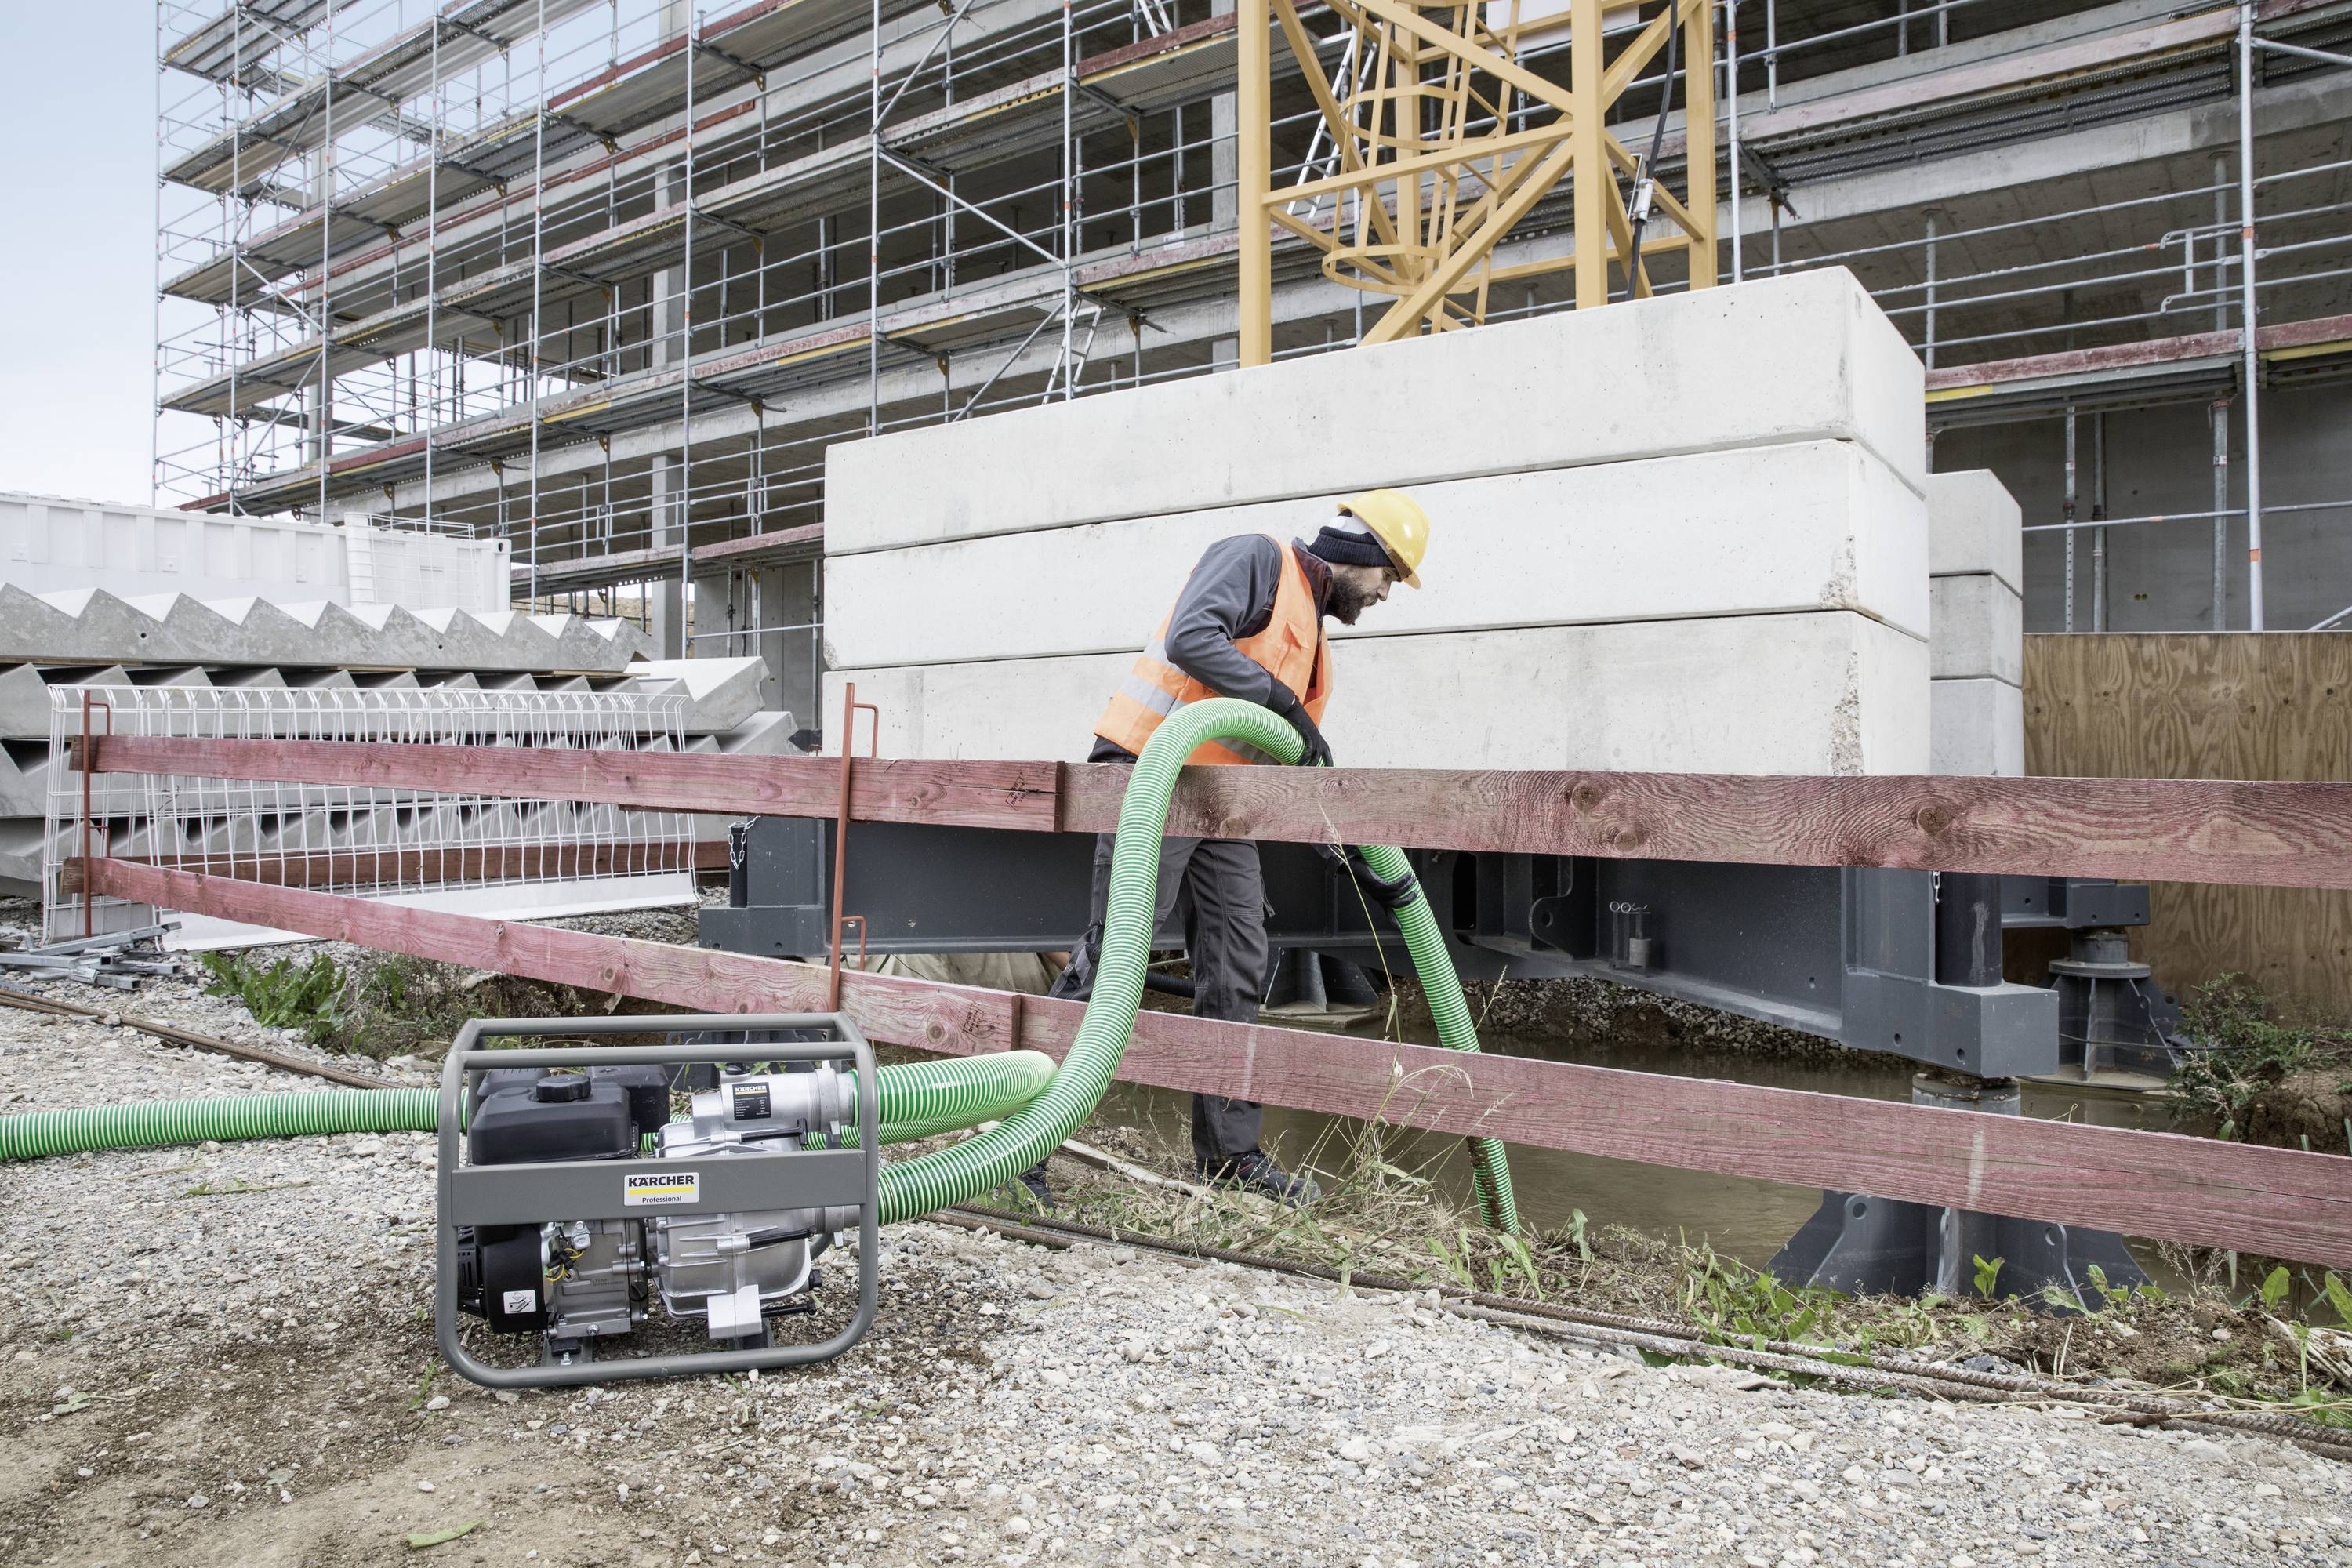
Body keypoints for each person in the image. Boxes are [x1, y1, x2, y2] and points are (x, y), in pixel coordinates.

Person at [1033, 489, 1433, 1207]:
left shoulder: (1314, 643)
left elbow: (1285, 758)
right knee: (1116, 954)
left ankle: (1228, 1155)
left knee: (1238, 964)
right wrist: (1279, 704)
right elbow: (1192, 638)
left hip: (1220, 803)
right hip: (1153, 775)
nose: (1385, 595)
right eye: (1389, 577)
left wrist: (1342, 855)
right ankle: (1025, 1137)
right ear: (1362, 553)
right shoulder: (1257, 559)